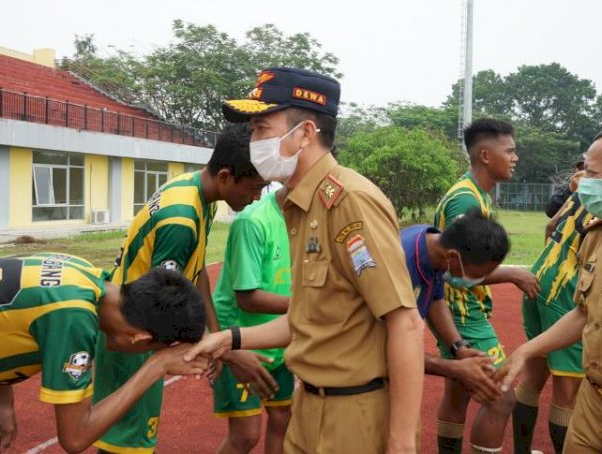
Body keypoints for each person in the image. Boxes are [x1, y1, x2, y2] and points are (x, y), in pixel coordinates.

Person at [187, 67, 425, 453]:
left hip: (354, 417)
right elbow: (308, 317)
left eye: (262, 129)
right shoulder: (297, 206)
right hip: (308, 408)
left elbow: (406, 322)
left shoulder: (349, 201)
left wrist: (400, 442)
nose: (253, 141)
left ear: (305, 134)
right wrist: (226, 339)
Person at [0, 252, 208, 454]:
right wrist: (155, 367)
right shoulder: (74, 319)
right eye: (151, 350)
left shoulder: (84, 274)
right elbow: (75, 438)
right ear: (141, 338)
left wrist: (4, 401)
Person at [93, 123, 269, 453]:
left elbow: (197, 271)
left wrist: (218, 337)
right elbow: (165, 302)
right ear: (226, 177)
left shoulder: (200, 194)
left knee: (129, 441)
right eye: (255, 187)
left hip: (141, 327)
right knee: (124, 444)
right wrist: (219, 349)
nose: (258, 195)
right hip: (133, 334)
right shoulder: (181, 220)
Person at [499, 125, 602, 454]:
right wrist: (526, 352)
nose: (581, 181)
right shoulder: (598, 234)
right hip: (590, 410)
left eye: (591, 171)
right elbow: (584, 312)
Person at [433, 118, 541, 454]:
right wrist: (512, 273)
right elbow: (457, 269)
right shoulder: (466, 201)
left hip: (454, 310)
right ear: (484, 154)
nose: (515, 157)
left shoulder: (473, 193)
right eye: (509, 150)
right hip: (463, 314)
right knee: (501, 395)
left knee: (459, 390)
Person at [513, 174, 595, 454]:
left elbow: (550, 224)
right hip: (565, 287)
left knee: (532, 377)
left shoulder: (588, 190)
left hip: (540, 275)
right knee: (567, 393)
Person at [212, 186, 292, 454]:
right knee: (246, 435)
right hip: (241, 341)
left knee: (284, 419)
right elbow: (247, 298)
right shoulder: (253, 222)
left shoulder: (309, 220)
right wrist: (306, 308)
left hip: (280, 342)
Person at [401, 209, 509, 404]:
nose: (476, 282)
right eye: (475, 276)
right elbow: (386, 347)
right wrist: (454, 369)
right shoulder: (401, 265)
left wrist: (459, 347)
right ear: (452, 258)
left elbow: (436, 299)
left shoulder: (433, 247)